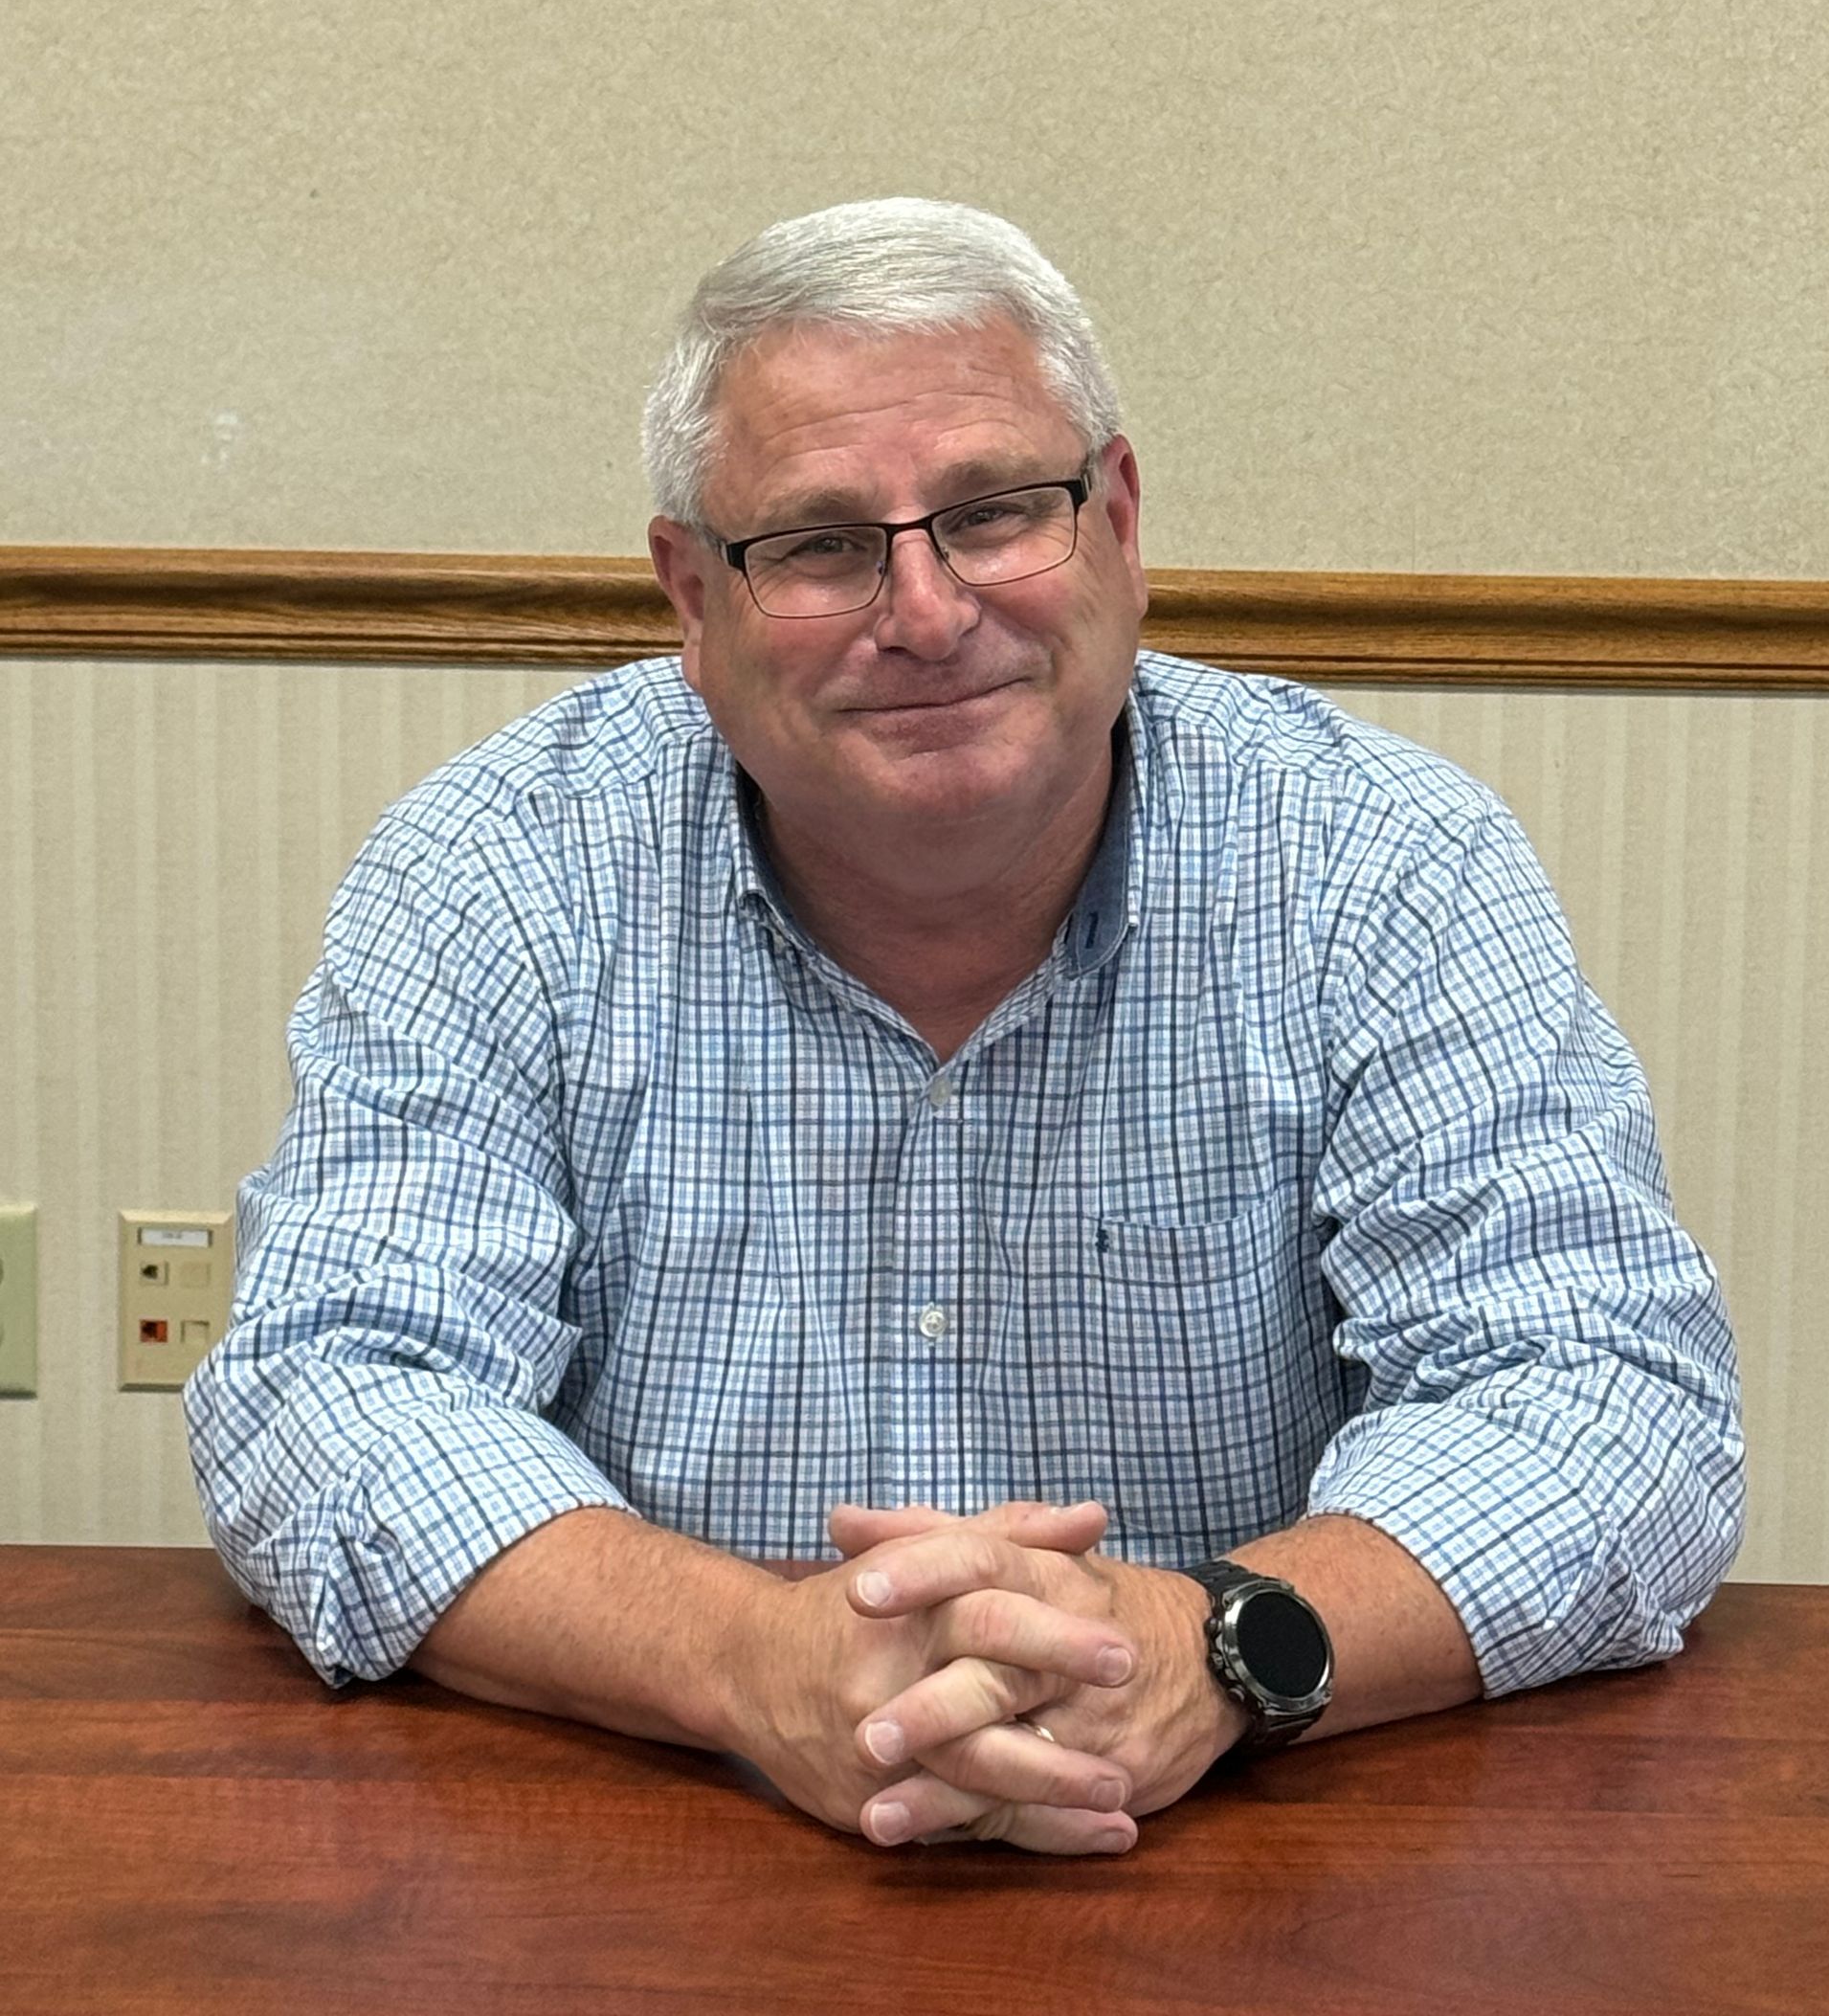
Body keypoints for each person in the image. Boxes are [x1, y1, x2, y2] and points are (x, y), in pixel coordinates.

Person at [185, 198, 1744, 1857]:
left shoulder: (1383, 867)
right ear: (691, 600)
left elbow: (1608, 1398)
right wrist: (749, 1662)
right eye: (819, 544)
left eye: (996, 514)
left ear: (1121, 524)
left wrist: (1214, 1647)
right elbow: (331, 1392)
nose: (925, 614)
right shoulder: (494, 871)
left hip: (1251, 1856)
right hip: (665, 1840)